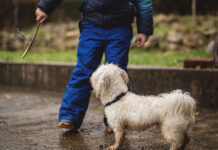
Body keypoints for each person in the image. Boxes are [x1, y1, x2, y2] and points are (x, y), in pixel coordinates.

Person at [35, 0, 153, 132]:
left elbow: (143, 1)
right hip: (92, 24)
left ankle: (117, 121)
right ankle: (70, 117)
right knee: (84, 70)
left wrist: (144, 29)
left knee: (116, 74)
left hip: (120, 26)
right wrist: (45, 7)